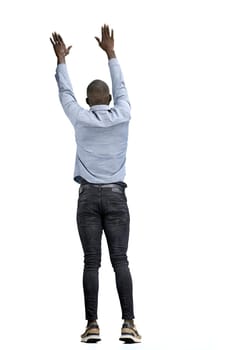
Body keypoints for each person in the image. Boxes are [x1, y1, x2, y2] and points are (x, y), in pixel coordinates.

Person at [50, 24, 141, 344]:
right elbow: (123, 87)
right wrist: (111, 53)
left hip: (87, 198)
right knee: (121, 261)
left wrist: (61, 60)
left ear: (88, 100)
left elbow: (65, 94)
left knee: (91, 262)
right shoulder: (124, 114)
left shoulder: (81, 117)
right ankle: (129, 323)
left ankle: (92, 325)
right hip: (117, 197)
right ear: (111, 99)